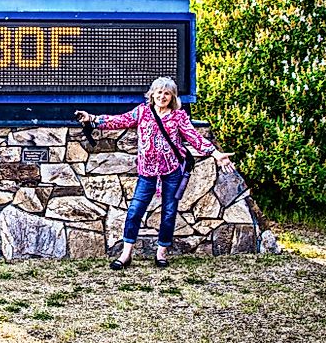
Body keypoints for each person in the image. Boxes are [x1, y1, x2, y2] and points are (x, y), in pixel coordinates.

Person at [76, 77, 235, 269]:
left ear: (172, 96)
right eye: (159, 92)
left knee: (168, 213)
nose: (162, 96)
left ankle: (161, 253)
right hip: (147, 173)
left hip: (172, 172)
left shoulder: (178, 116)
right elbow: (119, 120)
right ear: (152, 94)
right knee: (135, 211)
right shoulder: (143, 112)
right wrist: (92, 119)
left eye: (167, 93)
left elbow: (194, 137)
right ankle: (126, 255)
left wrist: (216, 154)